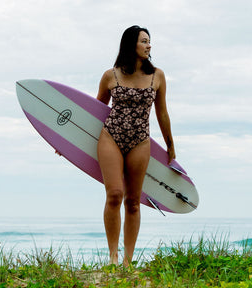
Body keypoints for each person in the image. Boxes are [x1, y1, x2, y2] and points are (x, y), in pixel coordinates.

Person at [96, 25, 175, 266]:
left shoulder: (157, 75)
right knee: (114, 195)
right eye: (144, 41)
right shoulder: (111, 75)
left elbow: (162, 113)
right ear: (132, 44)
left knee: (133, 201)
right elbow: (93, 110)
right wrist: (66, 142)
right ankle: (112, 258)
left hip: (140, 140)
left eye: (149, 41)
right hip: (111, 136)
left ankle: (128, 262)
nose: (149, 45)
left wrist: (170, 145)